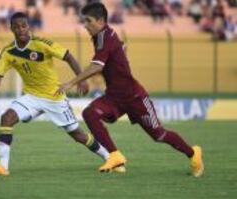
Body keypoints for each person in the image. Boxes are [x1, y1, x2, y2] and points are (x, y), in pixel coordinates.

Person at [55, 2, 204, 177]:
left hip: (135, 97)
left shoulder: (105, 37)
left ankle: (193, 153)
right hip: (114, 98)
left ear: (101, 20)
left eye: (88, 21)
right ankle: (115, 156)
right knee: (90, 113)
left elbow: (97, 66)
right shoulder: (103, 36)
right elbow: (117, 49)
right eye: (84, 21)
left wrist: (71, 82)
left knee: (159, 135)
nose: (85, 25)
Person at [0, 12, 111, 176]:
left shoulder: (42, 44)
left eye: (24, 25)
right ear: (11, 28)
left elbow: (69, 57)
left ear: (28, 26)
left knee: (77, 135)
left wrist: (81, 80)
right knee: (7, 118)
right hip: (32, 97)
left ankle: (108, 156)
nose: (21, 29)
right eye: (17, 26)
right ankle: (2, 166)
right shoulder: (8, 52)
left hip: (54, 96)